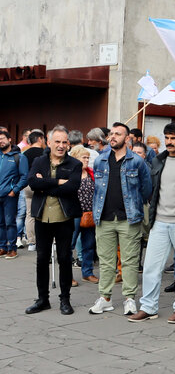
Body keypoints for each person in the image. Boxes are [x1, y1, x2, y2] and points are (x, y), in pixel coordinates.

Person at [129, 123, 175, 323]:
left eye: (173, 138)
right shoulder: (158, 161)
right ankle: (148, 307)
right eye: (167, 138)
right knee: (151, 266)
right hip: (159, 221)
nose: (169, 142)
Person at [89, 123, 153, 316]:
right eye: (111, 134)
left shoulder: (137, 161)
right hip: (104, 218)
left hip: (129, 218)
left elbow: (147, 189)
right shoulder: (100, 160)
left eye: (118, 134)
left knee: (130, 261)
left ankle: (129, 299)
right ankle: (105, 298)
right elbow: (96, 188)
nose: (113, 137)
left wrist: (134, 206)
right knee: (106, 261)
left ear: (127, 139)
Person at [25, 126, 82, 315]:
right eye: (57, 141)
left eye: (64, 142)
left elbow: (72, 187)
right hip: (42, 216)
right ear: (48, 142)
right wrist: (58, 181)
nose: (61, 145)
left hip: (64, 217)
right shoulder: (38, 161)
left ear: (68, 143)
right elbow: (32, 183)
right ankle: (43, 299)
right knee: (42, 259)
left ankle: (65, 299)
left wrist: (45, 183)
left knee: (65, 258)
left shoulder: (74, 164)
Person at [68, 145, 97, 284]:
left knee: (89, 244)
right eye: (83, 157)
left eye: (87, 157)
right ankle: (67, 275)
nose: (87, 160)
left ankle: (87, 272)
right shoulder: (70, 173)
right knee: (69, 245)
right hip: (74, 213)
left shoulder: (91, 172)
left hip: (89, 213)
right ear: (75, 158)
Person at [0, 129, 29, 258]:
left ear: (9, 140)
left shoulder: (19, 157)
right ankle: (2, 247)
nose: (1, 142)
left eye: (3, 139)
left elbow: (25, 177)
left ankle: (12, 249)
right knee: (0, 223)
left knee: (10, 222)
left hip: (9, 195)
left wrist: (14, 191)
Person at [20, 130, 46, 251]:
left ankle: (32, 242)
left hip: (28, 186)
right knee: (45, 211)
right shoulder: (45, 153)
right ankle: (47, 240)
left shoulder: (25, 154)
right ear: (40, 139)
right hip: (42, 184)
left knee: (30, 214)